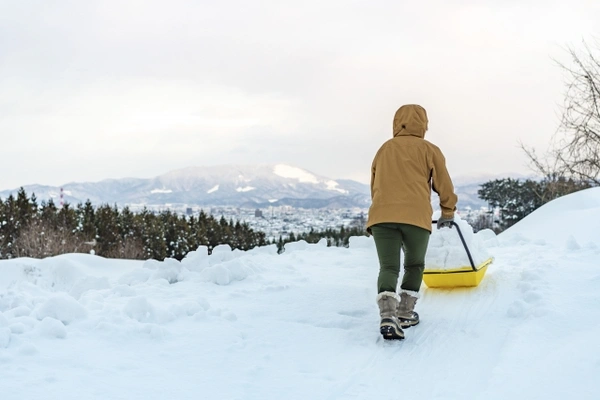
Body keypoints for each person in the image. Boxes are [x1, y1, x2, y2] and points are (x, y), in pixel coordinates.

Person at [366, 104, 458, 340]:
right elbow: (443, 185)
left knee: (388, 267)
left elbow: (375, 183)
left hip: (382, 216)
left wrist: (380, 210)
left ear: (397, 122)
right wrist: (447, 211)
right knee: (414, 265)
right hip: (415, 218)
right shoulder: (430, 149)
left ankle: (388, 315)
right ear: (423, 124)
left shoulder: (384, 149)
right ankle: (405, 313)